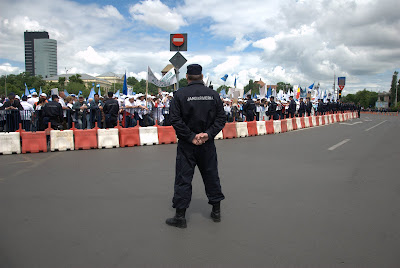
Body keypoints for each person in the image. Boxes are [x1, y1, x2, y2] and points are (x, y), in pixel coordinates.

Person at [167, 64, 226, 228]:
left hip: (187, 145)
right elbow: (221, 119)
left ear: (187, 77)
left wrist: (191, 137)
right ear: (201, 76)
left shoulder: (180, 94)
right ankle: (216, 212)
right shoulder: (213, 95)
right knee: (211, 176)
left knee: (183, 178)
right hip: (207, 144)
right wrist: (208, 134)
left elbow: (175, 119)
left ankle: (180, 217)